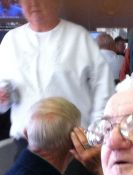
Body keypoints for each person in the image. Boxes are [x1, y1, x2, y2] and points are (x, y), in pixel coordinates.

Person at [0, 0, 113, 144]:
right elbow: (4, 90)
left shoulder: (79, 37)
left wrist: (95, 136)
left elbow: (103, 88)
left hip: (73, 141)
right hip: (26, 141)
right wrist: (4, 97)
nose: (34, 3)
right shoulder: (11, 41)